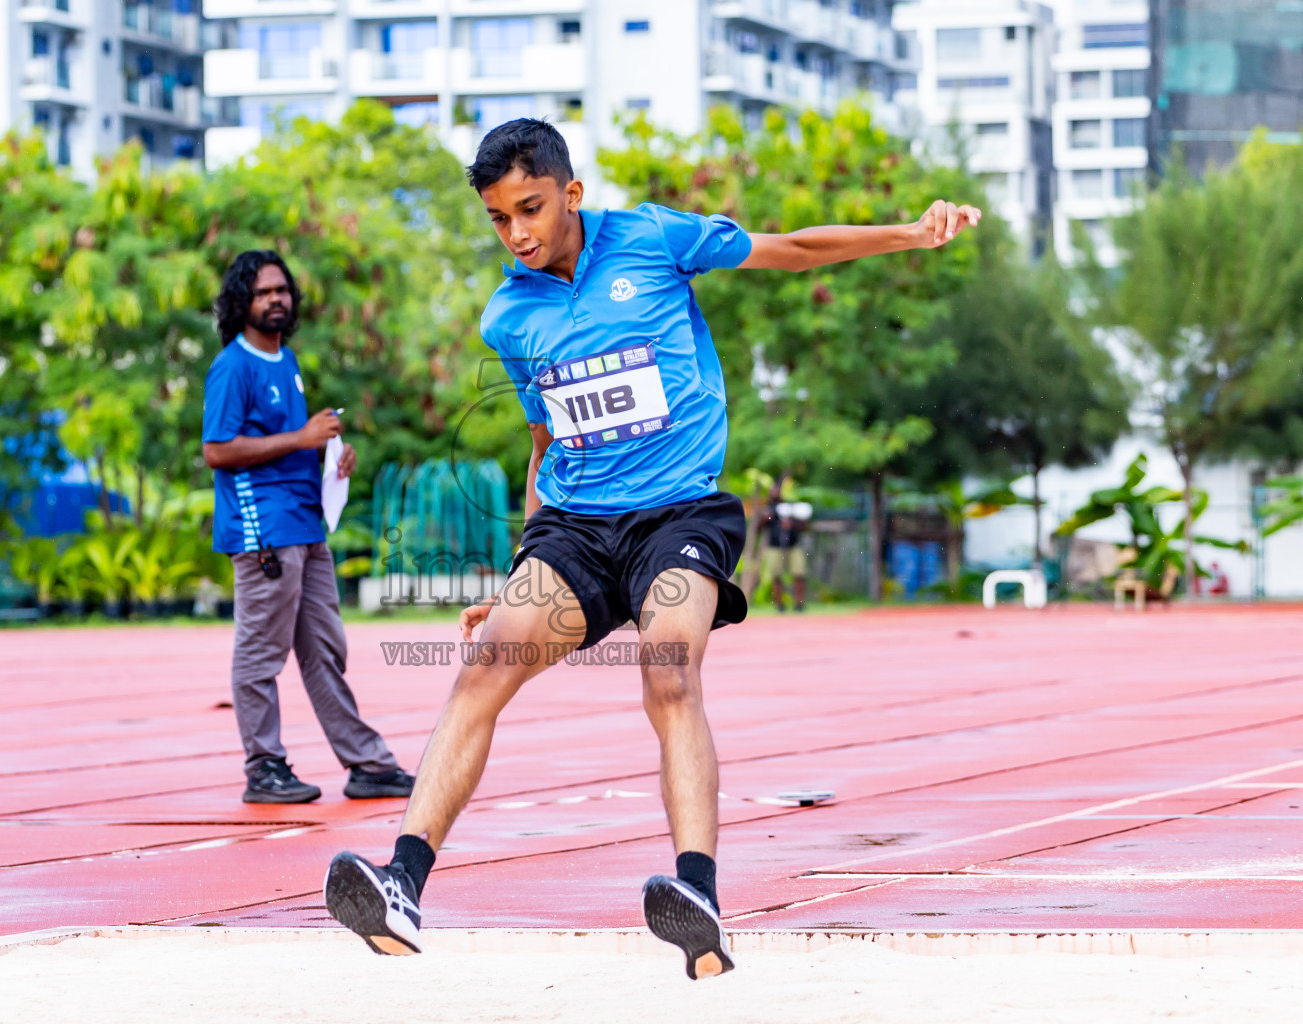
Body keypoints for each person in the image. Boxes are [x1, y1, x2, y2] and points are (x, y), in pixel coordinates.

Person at [323, 120, 979, 978]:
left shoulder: (653, 239)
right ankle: (401, 885)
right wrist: (526, 566)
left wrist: (909, 233)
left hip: (681, 516)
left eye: (530, 208)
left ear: (571, 193)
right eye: (497, 219)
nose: (517, 232)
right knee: (484, 666)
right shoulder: (508, 316)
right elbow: (541, 443)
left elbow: (794, 250)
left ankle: (697, 894)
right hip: (578, 529)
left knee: (669, 671)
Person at [202, 250, 414, 805]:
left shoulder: (286, 360)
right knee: (260, 654)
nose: (277, 299)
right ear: (241, 302)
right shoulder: (234, 365)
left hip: (305, 523)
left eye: (283, 290)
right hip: (263, 531)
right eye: (264, 291)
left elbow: (289, 445)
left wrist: (332, 457)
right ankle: (264, 766)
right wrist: (301, 439)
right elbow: (217, 450)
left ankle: (367, 765)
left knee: (325, 648)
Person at [759, 490, 811, 613]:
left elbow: (805, 526)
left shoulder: (791, 508)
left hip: (793, 546)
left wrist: (791, 524)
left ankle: (799, 604)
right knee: (777, 576)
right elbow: (759, 528)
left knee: (799, 574)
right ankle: (779, 605)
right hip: (775, 547)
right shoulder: (768, 509)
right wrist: (764, 518)